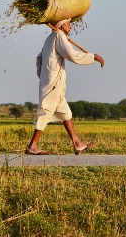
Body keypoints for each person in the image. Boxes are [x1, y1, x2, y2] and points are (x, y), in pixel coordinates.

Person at [26, 18, 104, 155]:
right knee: (46, 111)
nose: (71, 27)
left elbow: (39, 58)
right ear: (62, 26)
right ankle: (32, 146)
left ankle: (77, 143)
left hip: (52, 81)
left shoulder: (51, 37)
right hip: (53, 82)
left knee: (65, 112)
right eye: (68, 24)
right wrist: (93, 57)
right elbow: (72, 55)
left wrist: (42, 74)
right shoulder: (59, 36)